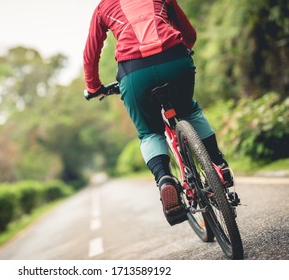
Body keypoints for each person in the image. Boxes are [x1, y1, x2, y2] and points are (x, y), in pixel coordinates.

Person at [83, 0, 232, 225]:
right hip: (174, 59)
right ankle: (218, 164)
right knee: (189, 111)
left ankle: (164, 179)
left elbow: (90, 53)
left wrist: (94, 87)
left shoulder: (104, 7)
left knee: (150, 133)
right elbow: (188, 32)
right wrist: (184, 51)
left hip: (134, 74)